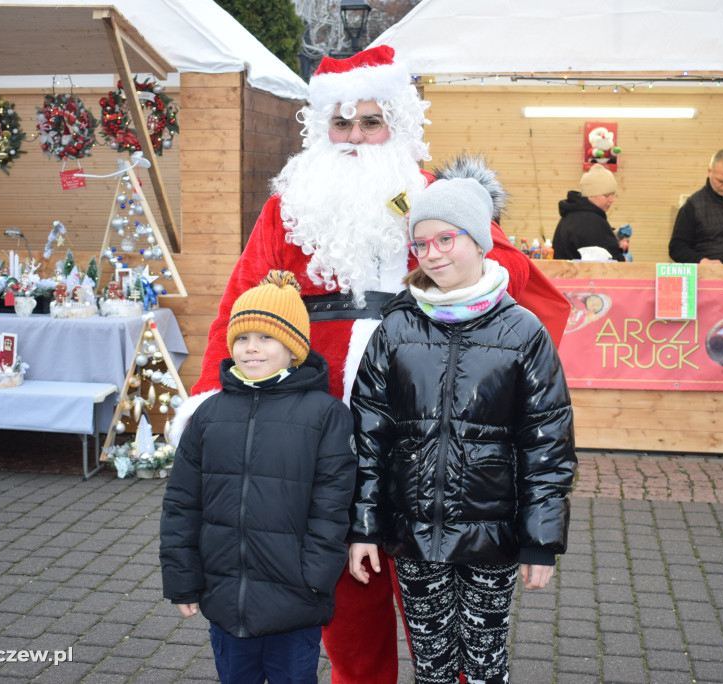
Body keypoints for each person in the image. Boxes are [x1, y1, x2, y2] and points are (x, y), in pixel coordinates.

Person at [170, 44, 572, 684]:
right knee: (344, 596)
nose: (354, 137)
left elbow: (522, 293)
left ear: (398, 125)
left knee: (435, 587)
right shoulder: (288, 204)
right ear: (322, 128)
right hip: (314, 423)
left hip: (424, 432)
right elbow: (242, 306)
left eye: (370, 122)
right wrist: (205, 400)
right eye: (341, 124)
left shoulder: (436, 200)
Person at [348, 174, 577, 684]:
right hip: (414, 537)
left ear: (478, 239)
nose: (432, 254)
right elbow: (368, 435)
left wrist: (540, 540)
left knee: (484, 666)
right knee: (430, 667)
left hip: (491, 536)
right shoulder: (397, 327)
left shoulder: (523, 331)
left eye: (446, 238)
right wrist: (364, 527)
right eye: (421, 242)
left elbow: (546, 440)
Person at [160, 271, 356, 684]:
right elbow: (182, 502)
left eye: (266, 338)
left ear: (294, 347)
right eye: (242, 338)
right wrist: (182, 579)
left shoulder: (325, 415)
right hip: (226, 599)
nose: (251, 349)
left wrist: (315, 577)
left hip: (295, 601)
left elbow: (333, 504)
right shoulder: (209, 415)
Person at [552, 164, 626, 261]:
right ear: (591, 195)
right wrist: (624, 260)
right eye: (607, 195)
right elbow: (612, 261)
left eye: (613, 194)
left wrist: (613, 233)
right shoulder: (591, 221)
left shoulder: (572, 214)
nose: (612, 200)